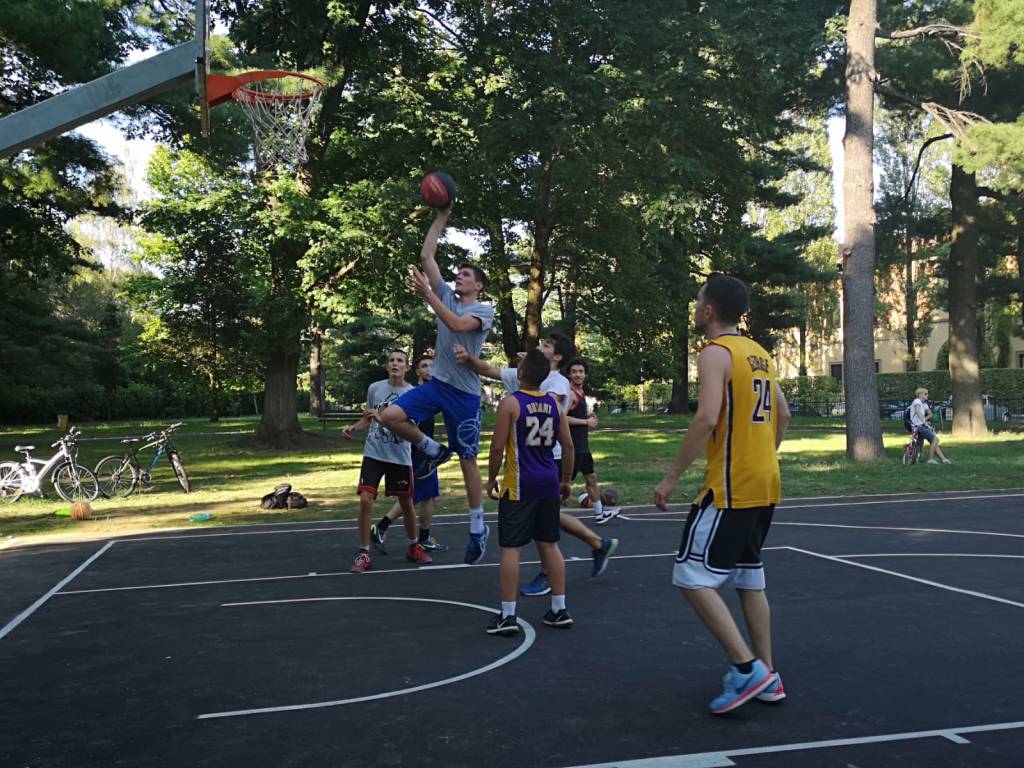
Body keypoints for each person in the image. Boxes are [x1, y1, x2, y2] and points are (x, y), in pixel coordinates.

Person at [652, 273, 791, 715]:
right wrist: (763, 454)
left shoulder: (715, 353)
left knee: (690, 576)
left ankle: (748, 668)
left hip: (731, 486)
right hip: (766, 480)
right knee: (749, 577)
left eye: (698, 302)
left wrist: (671, 477)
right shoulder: (758, 353)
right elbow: (782, 414)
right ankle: (769, 675)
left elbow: (706, 418)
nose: (694, 308)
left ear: (709, 311)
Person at [455, 333, 619, 598]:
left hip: (545, 457)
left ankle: (546, 576)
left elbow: (545, 410)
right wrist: (467, 357)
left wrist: (565, 476)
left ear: (556, 357)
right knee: (547, 518)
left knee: (538, 527)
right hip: (534, 459)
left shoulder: (554, 384)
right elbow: (487, 368)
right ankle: (595, 546)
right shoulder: (529, 375)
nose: (538, 347)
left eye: (545, 345)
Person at [378, 205, 496, 565]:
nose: (458, 278)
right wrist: (442, 213)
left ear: (477, 285)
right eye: (456, 274)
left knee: (469, 461)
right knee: (389, 416)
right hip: (438, 384)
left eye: (464, 275)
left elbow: (459, 326)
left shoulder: (484, 309)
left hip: (464, 394)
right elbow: (427, 254)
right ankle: (431, 448)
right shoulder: (444, 295)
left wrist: (428, 294)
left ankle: (477, 526)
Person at [484, 349, 575, 635]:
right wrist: (567, 479)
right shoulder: (553, 402)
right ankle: (559, 609)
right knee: (550, 544)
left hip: (519, 484)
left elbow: (497, 447)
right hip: (548, 481)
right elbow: (569, 446)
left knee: (511, 549)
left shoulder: (511, 403)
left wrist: (490, 478)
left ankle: (508, 615)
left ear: (521, 373)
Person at [342, 350, 433, 572]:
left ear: (406, 367)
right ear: (386, 366)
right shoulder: (375, 388)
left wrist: (384, 420)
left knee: (406, 504)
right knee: (365, 500)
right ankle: (364, 553)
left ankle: (413, 547)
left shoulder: (413, 394)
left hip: (399, 456)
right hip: (374, 452)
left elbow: (412, 429)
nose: (395, 363)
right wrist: (354, 428)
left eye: (399, 360)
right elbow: (368, 417)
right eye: (391, 360)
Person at [371, 356, 448, 553]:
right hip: (419, 452)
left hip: (426, 450)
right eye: (424, 366)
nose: (429, 369)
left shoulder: (430, 393)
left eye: (432, 365)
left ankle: (416, 535)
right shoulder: (416, 394)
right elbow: (407, 423)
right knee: (421, 496)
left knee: (422, 496)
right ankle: (386, 528)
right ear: (417, 372)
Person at [566, 356, 620, 525]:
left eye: (581, 372)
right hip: (573, 448)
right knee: (564, 487)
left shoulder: (581, 393)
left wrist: (587, 416)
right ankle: (542, 514)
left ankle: (599, 513)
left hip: (583, 447)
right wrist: (585, 422)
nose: (578, 375)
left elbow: (575, 415)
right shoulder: (569, 394)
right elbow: (561, 417)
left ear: (585, 375)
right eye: (574, 372)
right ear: (569, 374)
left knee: (591, 478)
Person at [909, 387, 951, 465]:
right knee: (935, 439)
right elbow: (918, 412)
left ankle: (943, 459)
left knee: (932, 441)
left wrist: (925, 420)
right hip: (918, 426)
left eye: (927, 394)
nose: (927, 395)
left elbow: (930, 414)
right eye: (925, 394)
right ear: (920, 394)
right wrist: (924, 421)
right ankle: (930, 459)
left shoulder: (924, 404)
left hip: (921, 425)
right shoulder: (917, 401)